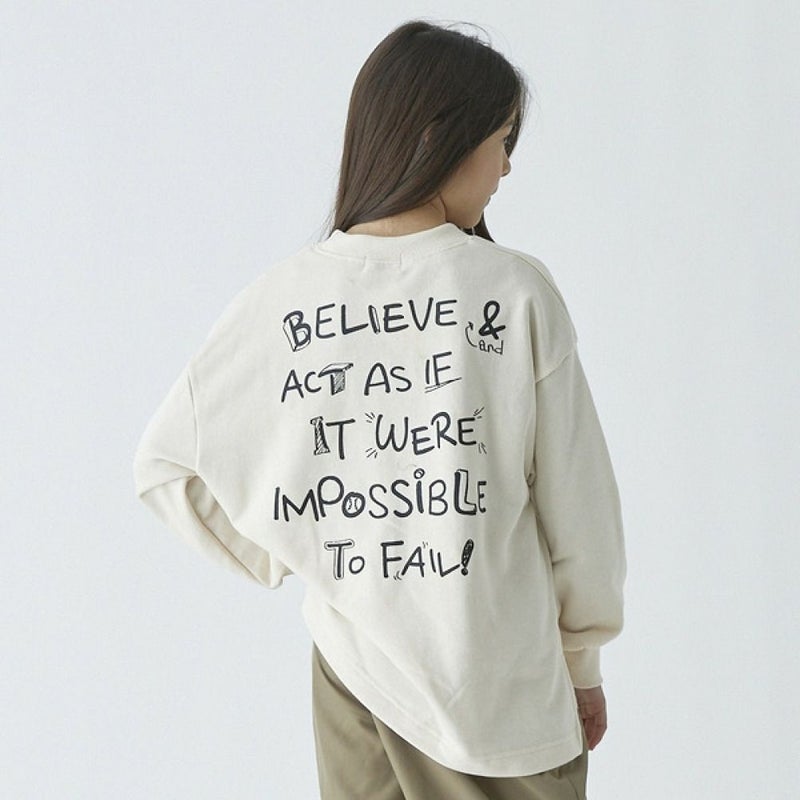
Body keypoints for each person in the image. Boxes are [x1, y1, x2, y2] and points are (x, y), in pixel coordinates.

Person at [133, 20, 625, 800]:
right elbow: (580, 510)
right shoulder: (513, 292)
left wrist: (311, 550)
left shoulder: (282, 300)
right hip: (498, 697)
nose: (506, 166)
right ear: (439, 136)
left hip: (355, 682)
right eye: (501, 140)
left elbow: (169, 466)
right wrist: (582, 661)